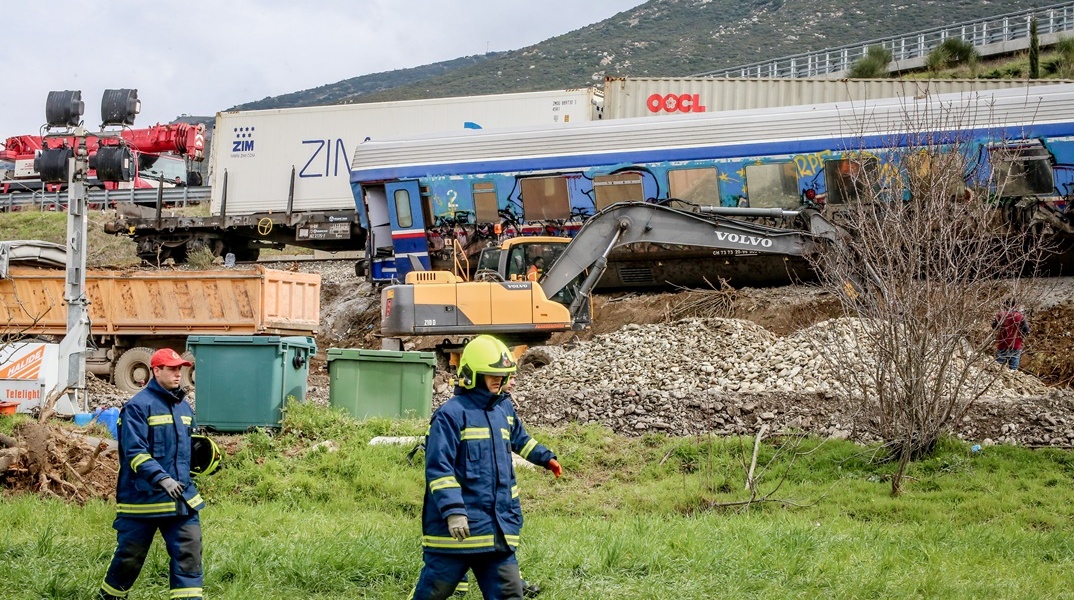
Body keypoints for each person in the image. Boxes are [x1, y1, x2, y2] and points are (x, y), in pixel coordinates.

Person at [410, 335, 561, 600]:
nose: (499, 381)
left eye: (503, 376)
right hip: (455, 536)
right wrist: (454, 512)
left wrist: (544, 457)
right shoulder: (450, 415)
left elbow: (520, 440)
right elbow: (439, 469)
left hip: (497, 531)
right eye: (493, 374)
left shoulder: (503, 408)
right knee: (432, 594)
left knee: (510, 595)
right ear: (472, 374)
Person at [99, 348, 205, 600]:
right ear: (156, 371)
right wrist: (161, 478)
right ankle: (109, 597)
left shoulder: (184, 408)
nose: (178, 373)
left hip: (181, 498)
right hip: (142, 501)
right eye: (171, 369)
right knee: (129, 558)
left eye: (180, 368)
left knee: (189, 554)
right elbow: (135, 453)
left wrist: (207, 460)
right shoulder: (137, 407)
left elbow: (191, 450)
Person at [994, 299, 1030, 370]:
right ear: (1015, 306)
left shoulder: (1001, 315)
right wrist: (1021, 336)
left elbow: (994, 327)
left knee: (997, 367)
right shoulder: (1020, 316)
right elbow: (1027, 331)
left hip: (1002, 344)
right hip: (1016, 345)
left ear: (1005, 305)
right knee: (1013, 370)